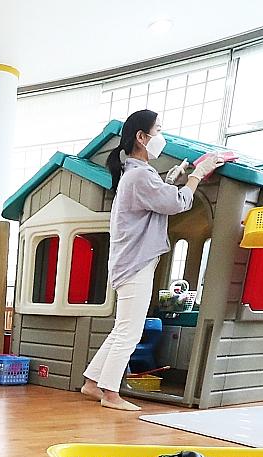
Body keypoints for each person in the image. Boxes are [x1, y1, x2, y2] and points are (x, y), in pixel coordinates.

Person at [81, 109, 225, 411]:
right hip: (135, 263)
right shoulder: (138, 176)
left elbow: (161, 197)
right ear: (142, 137)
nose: (162, 137)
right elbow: (176, 203)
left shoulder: (136, 175)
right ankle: (110, 393)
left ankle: (93, 383)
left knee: (123, 327)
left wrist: (175, 179)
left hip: (130, 261)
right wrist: (198, 175)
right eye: (158, 131)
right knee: (130, 331)